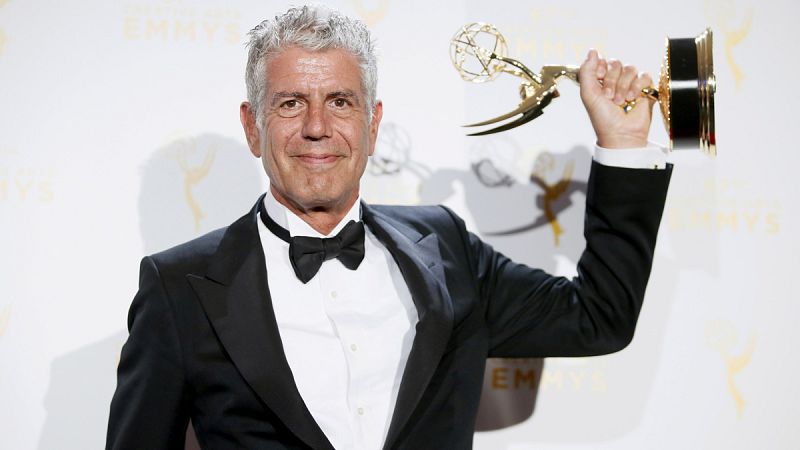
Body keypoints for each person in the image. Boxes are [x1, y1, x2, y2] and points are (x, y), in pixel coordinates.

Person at [106, 5, 672, 450]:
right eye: (290, 104)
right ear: (253, 127)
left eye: (340, 102)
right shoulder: (178, 289)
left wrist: (623, 148)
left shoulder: (445, 247)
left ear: (373, 124)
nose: (317, 127)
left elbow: (600, 318)